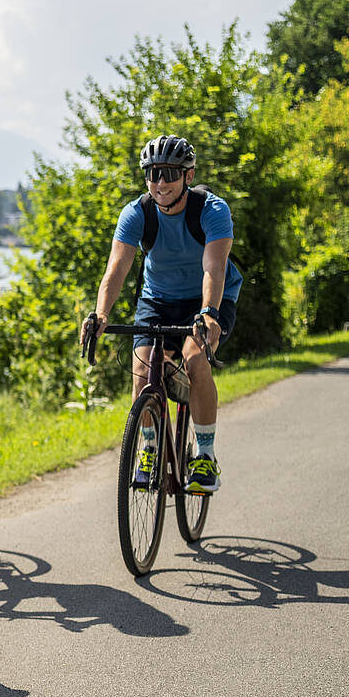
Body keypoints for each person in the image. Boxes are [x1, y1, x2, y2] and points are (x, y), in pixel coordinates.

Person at [83, 134, 238, 492]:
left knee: (196, 359)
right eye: (152, 174)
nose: (160, 183)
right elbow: (117, 269)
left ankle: (204, 456)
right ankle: (150, 449)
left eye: (169, 173)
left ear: (188, 174)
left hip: (209, 298)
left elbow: (214, 268)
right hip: (158, 298)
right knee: (141, 367)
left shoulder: (212, 211)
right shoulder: (137, 213)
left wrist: (209, 314)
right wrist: (101, 315)